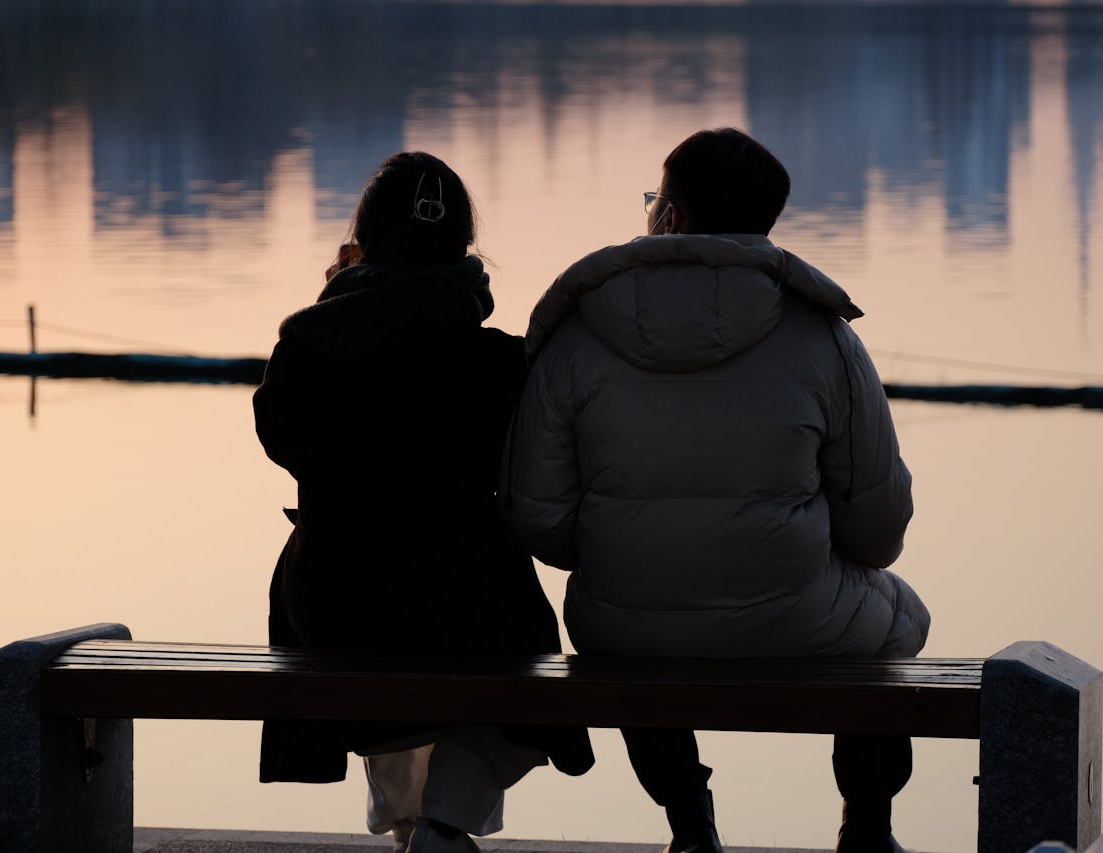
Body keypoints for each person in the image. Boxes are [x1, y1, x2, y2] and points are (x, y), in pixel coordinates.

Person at [500, 128, 930, 853]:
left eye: (654, 200)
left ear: (670, 216)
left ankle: (688, 822)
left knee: (633, 617)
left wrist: (626, 543)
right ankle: (867, 826)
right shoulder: (823, 336)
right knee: (897, 621)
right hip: (796, 620)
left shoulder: (576, 333)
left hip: (624, 622)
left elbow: (538, 520)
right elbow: (880, 528)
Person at [253, 151, 593, 853]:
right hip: (470, 593)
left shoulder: (305, 348)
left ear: (363, 242)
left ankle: (415, 823)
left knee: (368, 613)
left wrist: (338, 300)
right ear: (465, 249)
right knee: (514, 647)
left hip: (335, 596)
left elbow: (282, 441)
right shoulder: (502, 363)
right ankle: (443, 820)